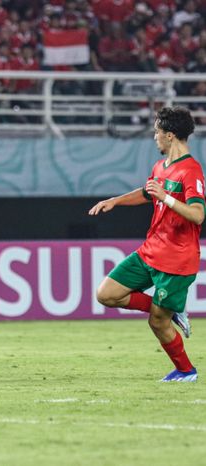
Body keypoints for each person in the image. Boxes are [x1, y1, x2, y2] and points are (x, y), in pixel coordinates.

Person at [89, 106, 203, 382]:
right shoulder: (160, 167)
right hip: (152, 250)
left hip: (177, 259)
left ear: (171, 136)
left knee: (157, 321)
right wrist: (115, 201)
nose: (155, 138)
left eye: (157, 133)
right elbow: (147, 192)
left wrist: (166, 198)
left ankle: (187, 371)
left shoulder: (191, 171)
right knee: (106, 294)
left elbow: (198, 215)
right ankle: (172, 308)